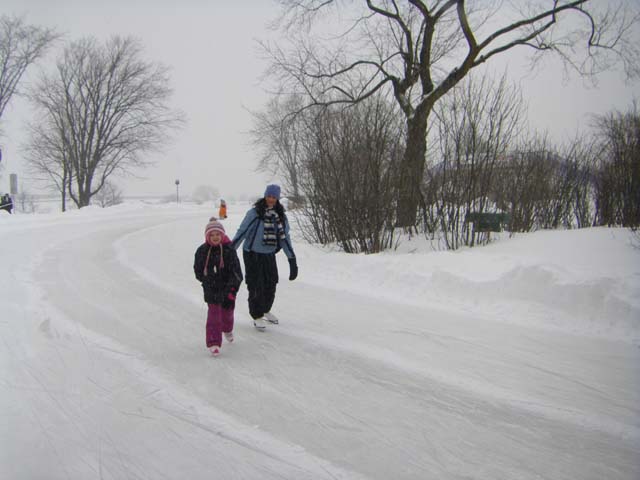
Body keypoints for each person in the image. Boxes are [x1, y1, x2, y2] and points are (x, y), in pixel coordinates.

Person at [231, 184, 298, 330]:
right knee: (256, 285)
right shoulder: (255, 213)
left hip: (269, 254)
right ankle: (257, 315)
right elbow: (242, 232)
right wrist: (229, 251)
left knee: (271, 283)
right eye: (269, 196)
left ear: (277, 198)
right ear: (265, 196)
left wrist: (292, 259)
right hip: (252, 253)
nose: (271, 199)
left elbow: (285, 238)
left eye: (274, 197)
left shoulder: (280, 216)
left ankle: (265, 309)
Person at [193, 217, 243, 356]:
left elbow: (237, 272)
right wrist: (205, 279)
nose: (215, 237)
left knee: (227, 314)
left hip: (228, 288)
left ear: (222, 235)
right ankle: (213, 342)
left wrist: (233, 288)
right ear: (207, 236)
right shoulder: (202, 251)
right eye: (212, 235)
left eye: (218, 234)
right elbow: (198, 269)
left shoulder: (229, 250)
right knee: (214, 315)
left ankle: (227, 329)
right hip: (211, 288)